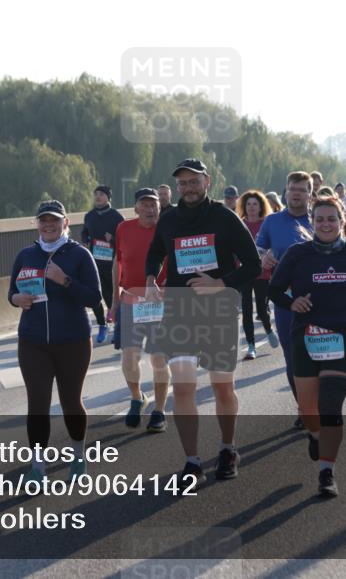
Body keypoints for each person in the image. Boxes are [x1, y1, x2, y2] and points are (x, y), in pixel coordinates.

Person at [145, 159, 261, 489]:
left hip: (218, 310)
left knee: (222, 386)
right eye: (182, 183)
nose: (188, 188)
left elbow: (253, 265)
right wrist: (151, 278)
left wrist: (220, 283)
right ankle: (192, 462)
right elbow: (155, 253)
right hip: (179, 311)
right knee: (183, 386)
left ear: (207, 181)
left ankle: (228, 448)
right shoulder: (169, 219)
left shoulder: (224, 217)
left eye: (194, 181)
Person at [268, 195, 346, 497]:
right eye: (319, 219)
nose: (326, 224)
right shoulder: (297, 254)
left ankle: (326, 471)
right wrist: (292, 302)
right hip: (305, 336)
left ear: (343, 220)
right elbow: (274, 290)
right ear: (312, 222)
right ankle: (316, 434)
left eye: (332, 218)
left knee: (330, 404)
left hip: (344, 336)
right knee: (308, 408)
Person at [9, 200, 103, 481]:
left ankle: (78, 455)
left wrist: (65, 281)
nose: (48, 225)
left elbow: (94, 297)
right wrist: (16, 298)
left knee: (70, 401)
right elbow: (11, 292)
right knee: (37, 403)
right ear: (37, 224)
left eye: (54, 220)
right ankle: (37, 467)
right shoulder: (26, 255)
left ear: (66, 223)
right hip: (33, 341)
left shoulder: (79, 255)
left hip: (72, 341)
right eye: (43, 220)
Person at [257, 171, 315, 430]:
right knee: (293, 358)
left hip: (319, 299)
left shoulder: (320, 219)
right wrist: (263, 258)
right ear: (286, 191)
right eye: (292, 188)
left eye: (302, 189)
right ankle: (304, 408)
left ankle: (320, 405)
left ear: (310, 194)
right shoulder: (272, 221)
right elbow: (257, 251)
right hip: (285, 300)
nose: (296, 193)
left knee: (321, 355)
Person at [110, 188, 171, 432]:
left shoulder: (168, 229)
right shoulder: (123, 228)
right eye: (144, 205)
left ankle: (159, 411)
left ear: (160, 207)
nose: (149, 209)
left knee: (158, 358)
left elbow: (180, 263)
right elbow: (118, 263)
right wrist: (114, 300)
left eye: (153, 204)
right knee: (129, 356)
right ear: (136, 208)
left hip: (160, 300)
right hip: (130, 299)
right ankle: (137, 397)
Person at [237, 190, 278, 360]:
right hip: (244, 273)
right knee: (246, 310)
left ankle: (268, 329)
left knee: (261, 309)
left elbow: (274, 246)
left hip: (263, 272)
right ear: (244, 207)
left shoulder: (266, 224)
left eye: (255, 204)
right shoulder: (239, 224)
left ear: (260, 207)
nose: (252, 207)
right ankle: (251, 346)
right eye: (248, 204)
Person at [82, 185, 124, 344]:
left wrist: (112, 239)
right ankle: (102, 324)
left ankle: (118, 326)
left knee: (110, 295)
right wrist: (85, 240)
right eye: (96, 194)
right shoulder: (89, 216)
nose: (98, 197)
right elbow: (85, 232)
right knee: (94, 294)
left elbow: (124, 239)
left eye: (101, 194)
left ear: (108, 197)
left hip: (112, 263)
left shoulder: (116, 217)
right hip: (94, 262)